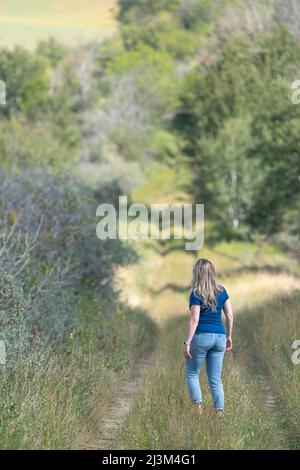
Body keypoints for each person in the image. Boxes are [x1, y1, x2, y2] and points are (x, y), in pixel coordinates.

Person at [184, 258, 233, 413]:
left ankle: (198, 410)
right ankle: (219, 413)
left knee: (192, 374)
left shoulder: (196, 293)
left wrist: (188, 342)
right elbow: (230, 316)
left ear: (196, 273)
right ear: (212, 273)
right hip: (219, 338)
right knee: (215, 379)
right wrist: (229, 336)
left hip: (202, 337)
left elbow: (194, 319)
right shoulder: (222, 291)